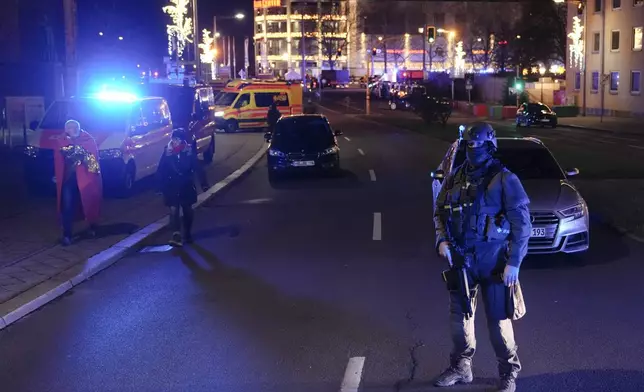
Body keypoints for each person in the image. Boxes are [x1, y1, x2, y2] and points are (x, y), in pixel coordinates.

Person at [433, 122, 532, 392]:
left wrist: (514, 262)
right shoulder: (454, 177)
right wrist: (441, 239)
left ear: (490, 146)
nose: (473, 149)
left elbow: (523, 225)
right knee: (459, 320)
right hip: (461, 260)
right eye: (469, 145)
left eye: (478, 145)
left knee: (499, 323)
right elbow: (439, 212)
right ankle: (461, 367)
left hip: (494, 260)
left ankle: (509, 371)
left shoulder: (504, 179)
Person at [54, 119, 102, 246]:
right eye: (70, 127)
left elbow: (93, 161)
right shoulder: (61, 141)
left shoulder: (88, 140)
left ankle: (92, 227)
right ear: (66, 130)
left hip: (86, 179)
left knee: (89, 202)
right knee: (67, 206)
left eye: (75, 127)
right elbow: (58, 161)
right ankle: (67, 235)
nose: (73, 129)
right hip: (68, 179)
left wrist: (82, 156)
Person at [157, 129, 209, 247]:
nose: (174, 141)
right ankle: (176, 234)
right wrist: (159, 186)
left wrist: (204, 184)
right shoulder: (167, 152)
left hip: (186, 184)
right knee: (173, 210)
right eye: (173, 139)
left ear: (182, 140)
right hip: (172, 185)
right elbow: (161, 169)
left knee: (187, 210)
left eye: (177, 139)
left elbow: (197, 168)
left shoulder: (189, 151)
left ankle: (187, 233)